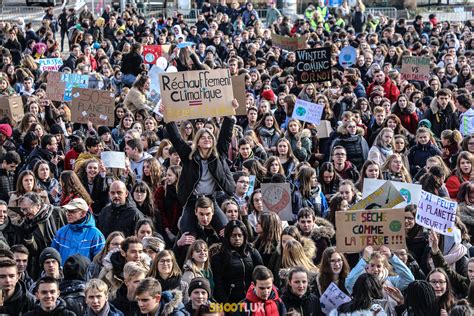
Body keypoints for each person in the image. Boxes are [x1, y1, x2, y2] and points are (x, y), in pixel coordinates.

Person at [162, 100, 239, 236]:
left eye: (209, 137)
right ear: (197, 141)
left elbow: (225, 136)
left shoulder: (218, 154)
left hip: (211, 200)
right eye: (202, 137)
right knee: (187, 236)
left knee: (226, 233)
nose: (206, 139)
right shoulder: (189, 156)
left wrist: (230, 113)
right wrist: (167, 116)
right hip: (192, 201)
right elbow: (176, 139)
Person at [212, 220, 263, 304]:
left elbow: (261, 275)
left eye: (240, 235)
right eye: (233, 235)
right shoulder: (219, 257)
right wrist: (226, 304)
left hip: (252, 301)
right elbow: (218, 285)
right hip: (231, 302)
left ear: (244, 236)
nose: (237, 238)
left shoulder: (252, 252)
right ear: (228, 236)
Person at [19, 192, 67, 279]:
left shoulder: (58, 213)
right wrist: (29, 239)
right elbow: (34, 250)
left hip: (62, 257)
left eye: (26, 209)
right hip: (42, 263)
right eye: (22, 210)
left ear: (37, 206)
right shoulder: (26, 224)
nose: (24, 213)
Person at [51, 198, 105, 264]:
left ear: (83, 213)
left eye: (72, 211)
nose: (68, 214)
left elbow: (99, 262)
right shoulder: (60, 232)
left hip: (85, 274)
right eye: (67, 211)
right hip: (63, 273)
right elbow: (53, 257)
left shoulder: (96, 235)